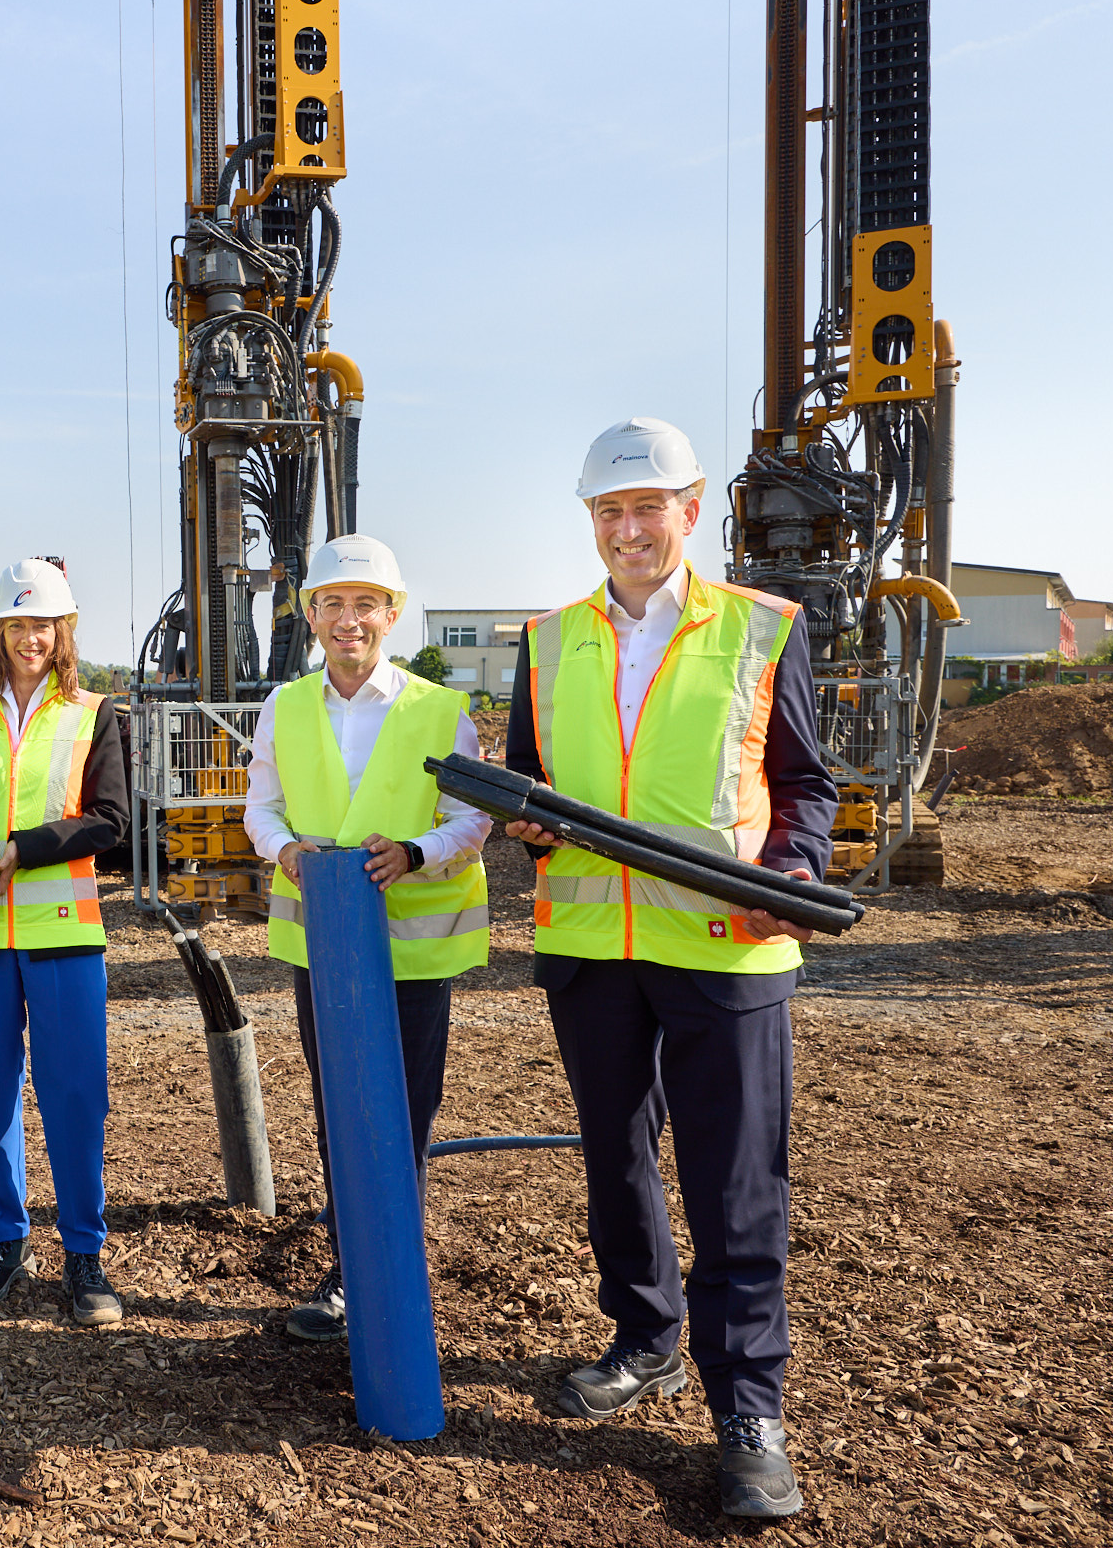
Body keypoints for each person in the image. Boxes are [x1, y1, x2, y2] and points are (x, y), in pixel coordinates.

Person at [503, 418, 837, 1520]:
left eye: (649, 508)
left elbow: (807, 788)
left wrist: (781, 872)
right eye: (610, 512)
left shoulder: (762, 627)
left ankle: (749, 1407)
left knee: (736, 1182)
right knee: (618, 1163)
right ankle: (643, 1336)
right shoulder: (547, 642)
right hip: (595, 952)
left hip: (726, 951)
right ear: (590, 523)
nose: (630, 529)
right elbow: (525, 785)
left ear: (691, 512)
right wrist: (534, 834)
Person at [242, 534, 492, 1342]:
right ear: (310, 613)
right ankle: (354, 1267)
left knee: (407, 1111)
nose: (349, 620)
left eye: (365, 605)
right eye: (333, 603)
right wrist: (285, 851)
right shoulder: (283, 707)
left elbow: (471, 816)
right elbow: (262, 807)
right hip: (328, 949)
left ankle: (391, 1265)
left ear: (392, 613)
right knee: (338, 1107)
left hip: (414, 951)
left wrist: (415, 852)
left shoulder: (437, 710)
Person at [0, 559, 131, 1327]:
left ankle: (85, 1254)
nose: (31, 637)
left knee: (75, 1099)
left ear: (63, 629)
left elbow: (109, 823)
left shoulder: (93, 713)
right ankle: (6, 1240)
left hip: (63, 933)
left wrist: (22, 846)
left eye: (44, 623)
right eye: (17, 624)